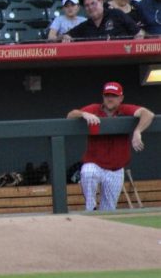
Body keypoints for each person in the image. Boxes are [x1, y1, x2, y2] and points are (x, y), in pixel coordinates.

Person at [66, 82, 154, 211]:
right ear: (103, 96)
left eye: (113, 95)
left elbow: (148, 114)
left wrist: (138, 131)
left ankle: (102, 228)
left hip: (115, 168)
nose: (110, 98)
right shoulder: (94, 109)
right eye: (107, 95)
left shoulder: (125, 109)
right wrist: (84, 114)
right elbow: (70, 115)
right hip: (95, 163)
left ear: (121, 98)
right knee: (88, 172)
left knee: (109, 209)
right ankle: (91, 206)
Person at [62, 0, 143, 41]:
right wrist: (66, 37)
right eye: (87, 5)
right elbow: (66, 36)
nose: (90, 7)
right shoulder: (85, 25)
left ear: (101, 2)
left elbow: (138, 34)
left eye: (93, 3)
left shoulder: (116, 14)